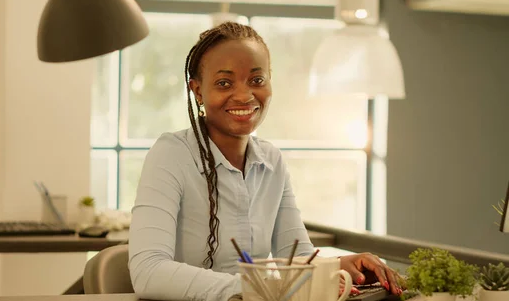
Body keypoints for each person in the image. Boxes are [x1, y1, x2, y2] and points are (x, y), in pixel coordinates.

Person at [128, 22, 403, 301]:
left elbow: (296, 257)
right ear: (197, 91)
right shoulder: (171, 154)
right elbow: (148, 272)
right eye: (224, 83)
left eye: (257, 80)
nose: (245, 95)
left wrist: (335, 268)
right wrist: (258, 289)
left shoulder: (272, 161)